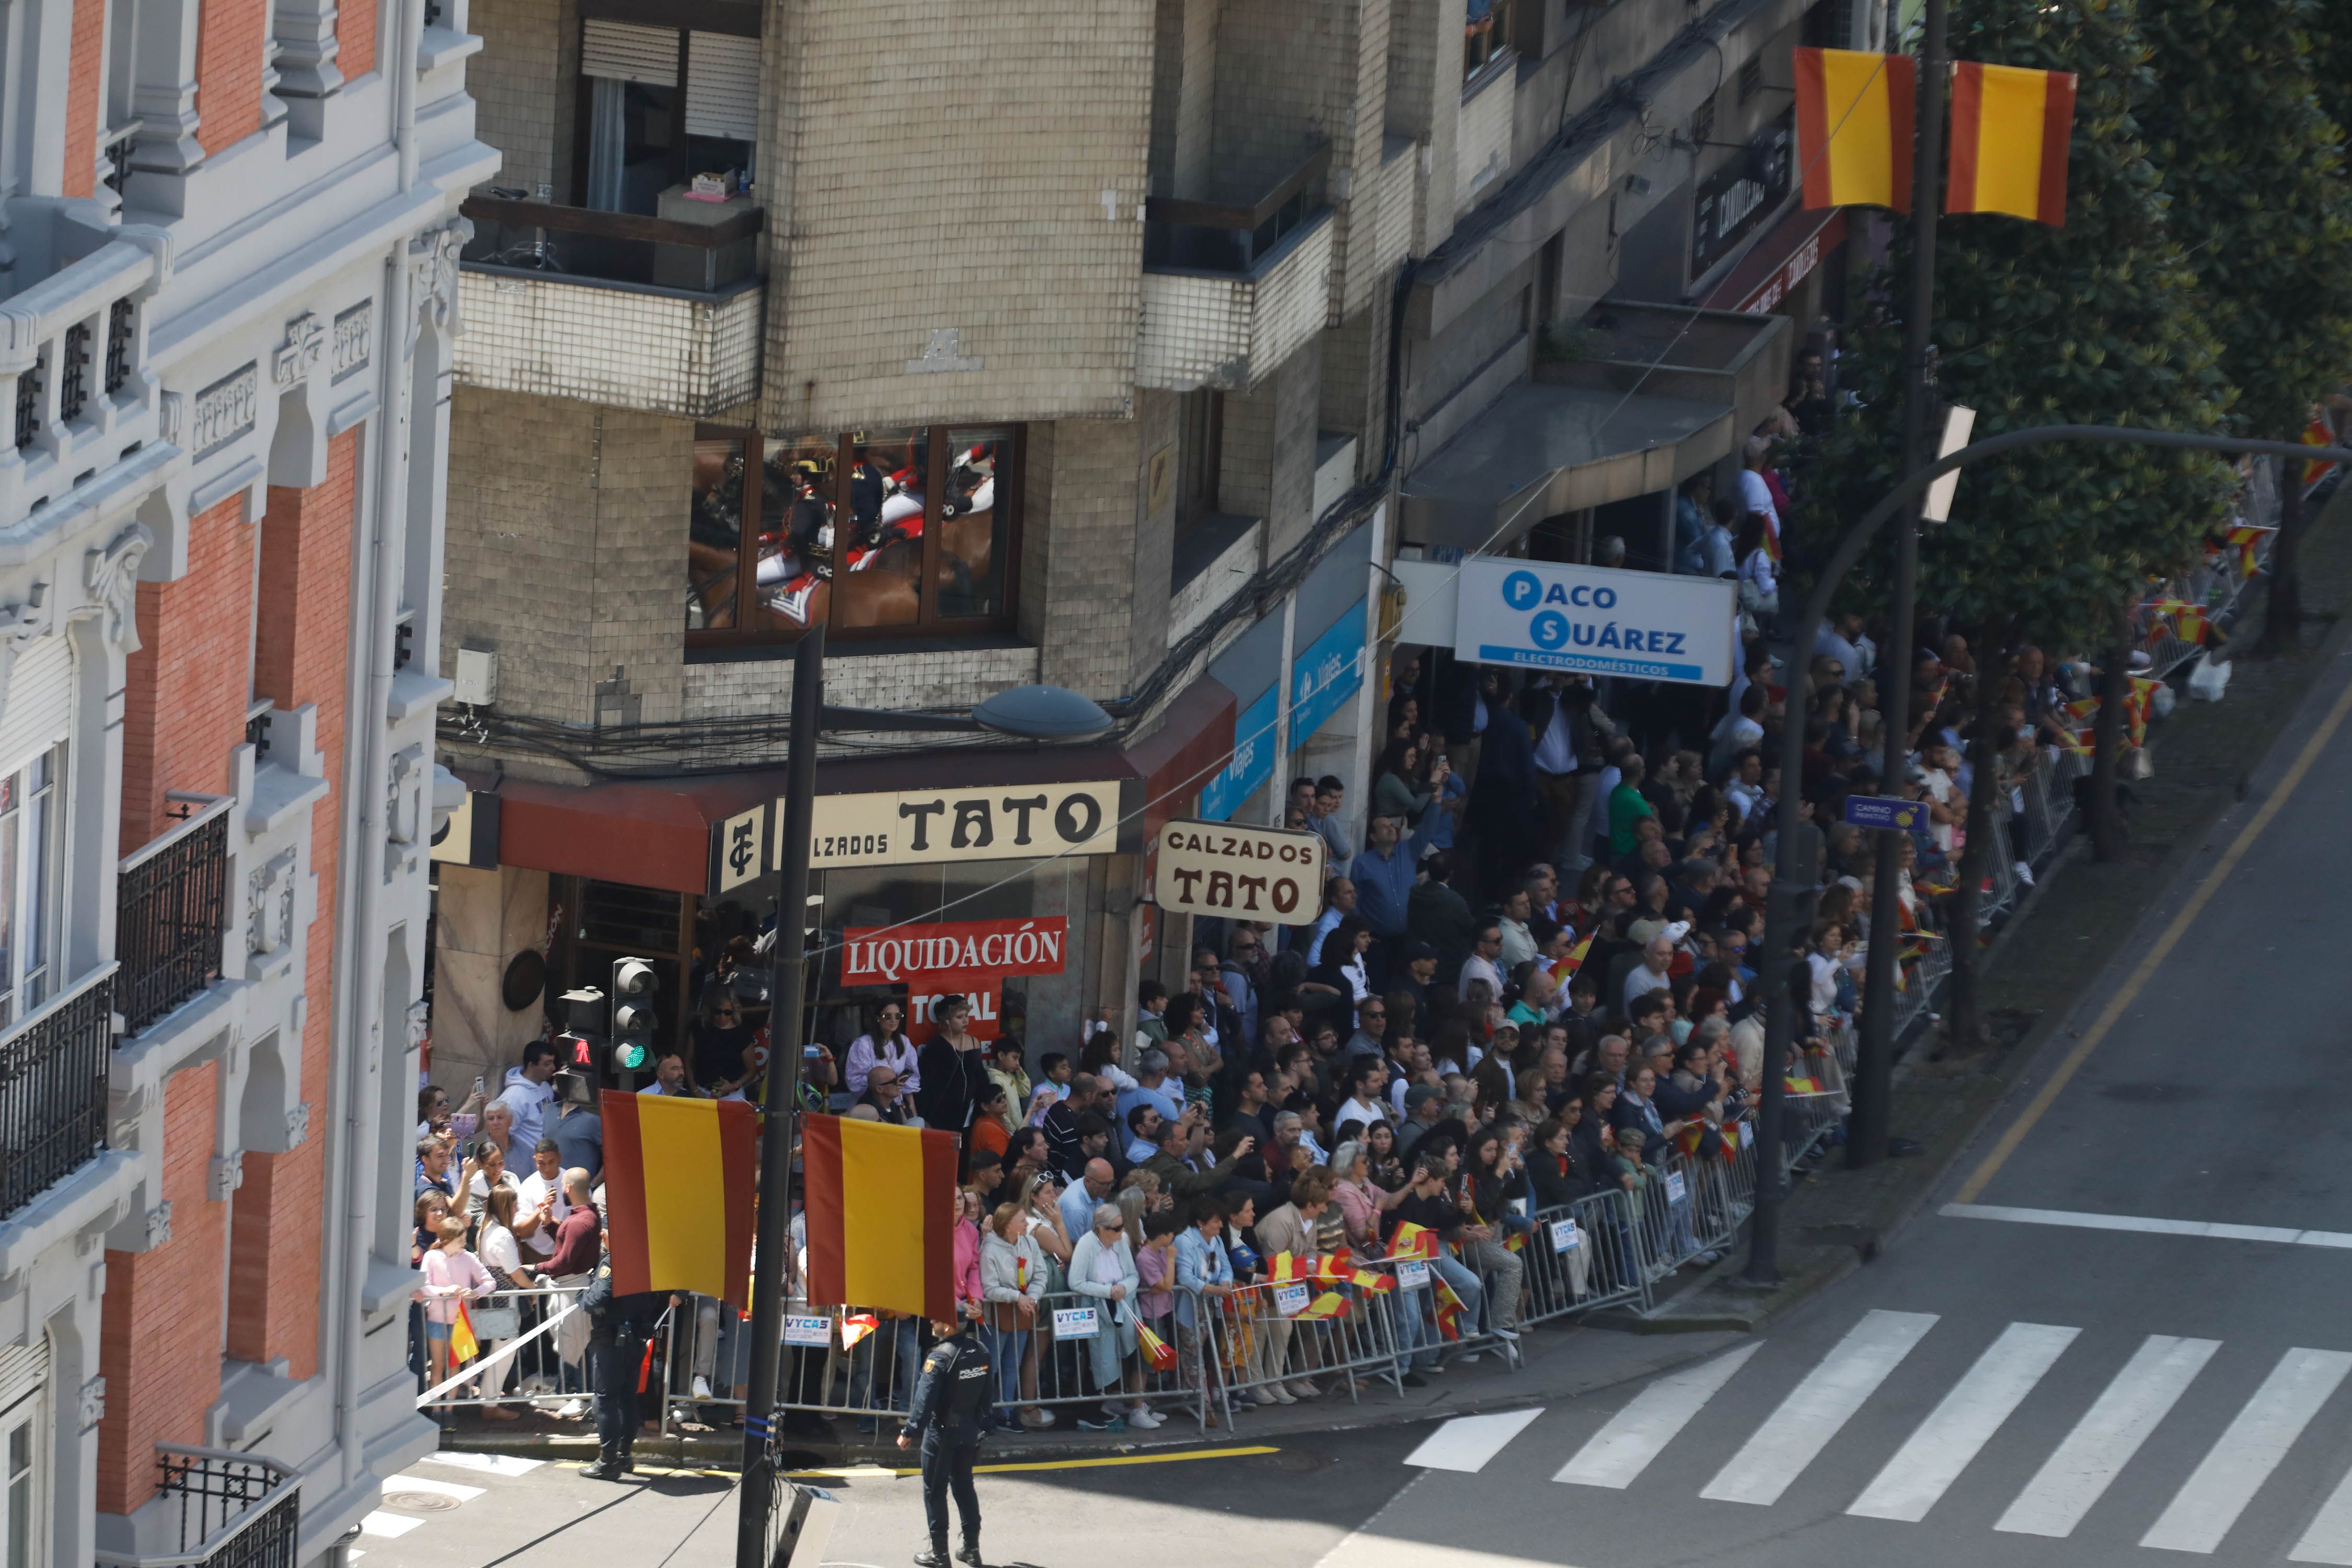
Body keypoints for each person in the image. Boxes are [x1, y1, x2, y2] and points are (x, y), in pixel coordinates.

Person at [900, 1312, 992, 1567]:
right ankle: (972, 1550)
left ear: (948, 1326)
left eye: (936, 1320)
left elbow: (924, 1401)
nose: (931, 1322)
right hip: (968, 1431)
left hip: (941, 1433)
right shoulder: (982, 1351)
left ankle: (940, 1555)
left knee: (934, 1490)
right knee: (964, 1487)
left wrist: (909, 1432)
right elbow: (988, 1397)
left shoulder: (940, 1357)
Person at [1066, 1203, 1155, 1429]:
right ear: (1103, 1229)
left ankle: (1103, 1405)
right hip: (1095, 1309)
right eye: (1117, 1228)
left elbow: (1133, 1275)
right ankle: (1088, 1411)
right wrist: (1108, 1291)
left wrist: (1123, 1288)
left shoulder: (1122, 1242)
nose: (1122, 1232)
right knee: (1095, 1361)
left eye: (1123, 1227)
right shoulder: (1086, 1245)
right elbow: (1075, 1282)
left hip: (1122, 1305)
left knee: (1122, 1354)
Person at [580, 1263, 664, 1480]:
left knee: (606, 1398)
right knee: (628, 1397)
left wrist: (583, 1295)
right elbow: (654, 1298)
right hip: (635, 1339)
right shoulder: (645, 1260)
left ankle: (608, 1461)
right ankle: (624, 1455)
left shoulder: (613, 1261)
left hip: (611, 1341)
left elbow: (596, 1299)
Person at [494, 1041, 559, 1169]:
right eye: (547, 1064)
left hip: (545, 1165)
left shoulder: (546, 1087)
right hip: (524, 1171)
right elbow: (498, 1136)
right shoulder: (514, 1097)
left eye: (553, 1062)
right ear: (531, 1065)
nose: (553, 1068)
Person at [846, 1001, 921, 1097]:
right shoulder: (863, 1044)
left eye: (898, 1016)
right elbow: (855, 1082)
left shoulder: (904, 1041)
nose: (894, 1020)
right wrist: (888, 1082)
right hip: (870, 1104)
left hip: (897, 1105)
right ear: (878, 1018)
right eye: (888, 1016)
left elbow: (911, 1077)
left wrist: (912, 1110)